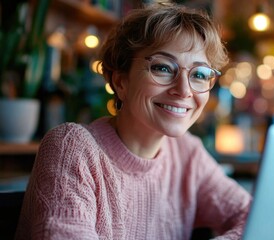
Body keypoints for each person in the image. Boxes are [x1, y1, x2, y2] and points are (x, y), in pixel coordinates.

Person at [16, 3, 251, 239]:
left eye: (199, 74)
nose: (183, 90)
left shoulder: (186, 153)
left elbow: (252, 216)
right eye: (162, 68)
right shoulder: (72, 148)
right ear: (120, 82)